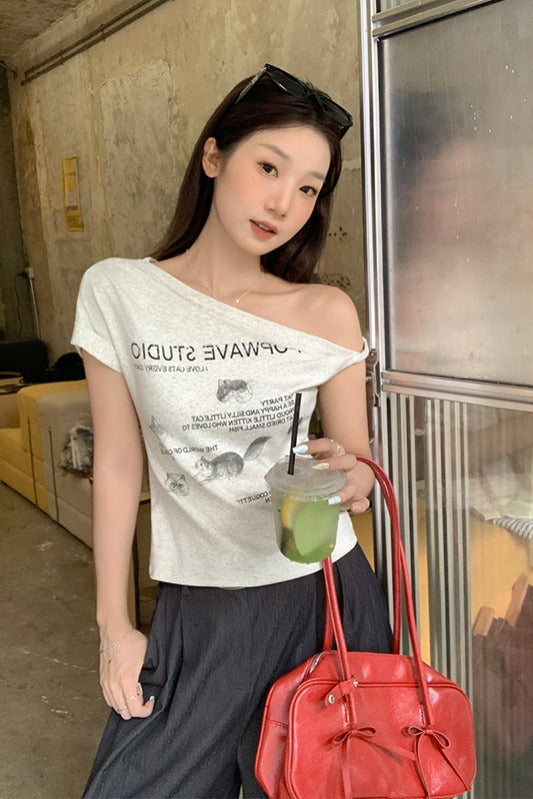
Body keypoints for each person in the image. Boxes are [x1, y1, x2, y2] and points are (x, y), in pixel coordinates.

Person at [72, 63, 392, 799]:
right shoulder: (119, 292)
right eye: (269, 168)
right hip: (202, 606)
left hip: (323, 595)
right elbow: (117, 466)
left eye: (308, 187)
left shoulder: (325, 311)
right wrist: (115, 629)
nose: (283, 203)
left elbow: (359, 470)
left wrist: (352, 478)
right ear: (213, 157)